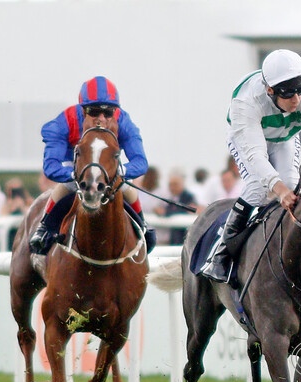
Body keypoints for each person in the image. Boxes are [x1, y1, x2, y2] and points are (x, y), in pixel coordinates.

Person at [201, 49, 301, 282]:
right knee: (257, 187)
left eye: (299, 90)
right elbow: (256, 156)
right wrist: (278, 189)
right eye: (288, 93)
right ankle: (220, 254)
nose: (296, 99)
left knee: (293, 186)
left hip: (283, 138)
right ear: (269, 90)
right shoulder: (246, 101)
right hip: (249, 141)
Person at [29, 76, 154, 255]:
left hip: (108, 166)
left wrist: (120, 171)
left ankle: (142, 225)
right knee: (68, 186)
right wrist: (75, 174)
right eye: (94, 111)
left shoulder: (123, 121)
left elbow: (140, 162)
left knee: (126, 185)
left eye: (108, 112)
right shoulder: (64, 122)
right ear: (83, 110)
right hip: (76, 163)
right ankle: (45, 227)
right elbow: (51, 166)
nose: (101, 119)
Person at [159, 168, 198, 245]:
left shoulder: (188, 197)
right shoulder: (169, 197)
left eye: (175, 184)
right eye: (170, 185)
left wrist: (166, 212)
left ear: (182, 184)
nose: (172, 187)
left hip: (184, 237)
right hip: (172, 237)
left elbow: (185, 212)